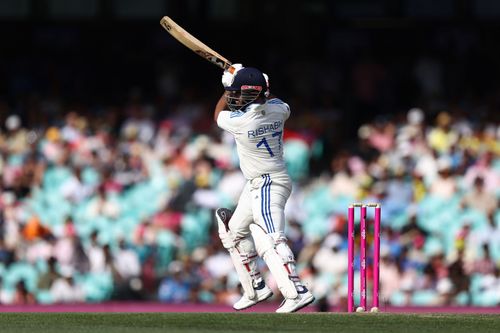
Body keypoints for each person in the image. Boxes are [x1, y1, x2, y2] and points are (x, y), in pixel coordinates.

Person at [214, 64, 314, 313]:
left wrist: (227, 84)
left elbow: (217, 113)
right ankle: (255, 287)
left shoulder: (240, 121)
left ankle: (297, 291)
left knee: (270, 236)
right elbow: (272, 98)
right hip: (261, 182)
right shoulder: (280, 110)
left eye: (237, 93)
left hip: (268, 182)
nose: (233, 97)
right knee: (233, 232)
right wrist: (256, 83)